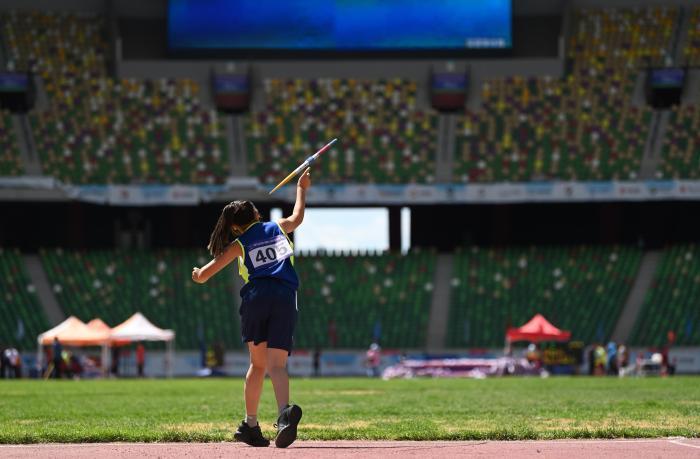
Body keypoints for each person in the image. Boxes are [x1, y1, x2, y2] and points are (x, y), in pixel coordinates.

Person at [192, 168, 311, 449]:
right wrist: (302, 188)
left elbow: (206, 275)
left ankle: (251, 424)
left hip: (257, 297)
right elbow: (298, 217)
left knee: (258, 365)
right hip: (284, 296)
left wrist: (197, 274)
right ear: (258, 214)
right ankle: (284, 416)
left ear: (234, 227)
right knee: (277, 365)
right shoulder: (277, 226)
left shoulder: (239, 244)